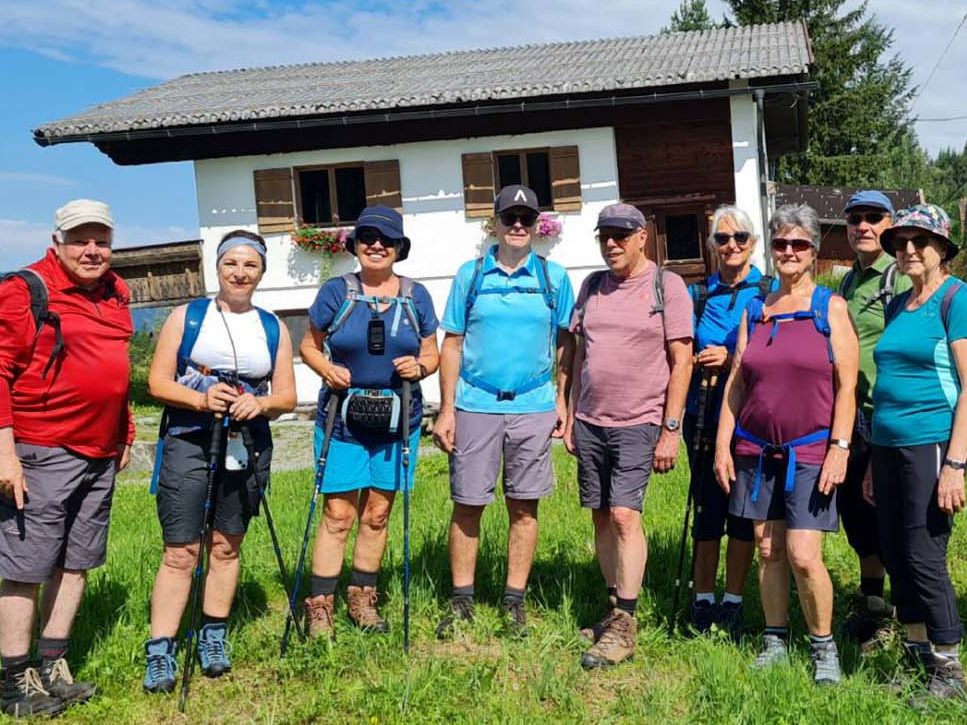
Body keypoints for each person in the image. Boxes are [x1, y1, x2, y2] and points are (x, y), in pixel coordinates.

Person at [142, 230, 296, 693]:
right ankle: (161, 649)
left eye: (250, 265)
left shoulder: (273, 326)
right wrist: (201, 398)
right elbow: (156, 383)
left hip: (246, 442)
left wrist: (261, 406)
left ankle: (213, 634)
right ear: (218, 267)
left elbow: (287, 394)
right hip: (190, 438)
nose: (240, 273)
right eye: (232, 263)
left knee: (227, 545)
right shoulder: (187, 316)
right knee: (181, 550)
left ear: (262, 272)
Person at [714, 203, 858, 685]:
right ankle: (775, 638)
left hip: (812, 450)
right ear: (771, 250)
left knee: (802, 553)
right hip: (756, 449)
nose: (790, 252)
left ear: (814, 251)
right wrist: (722, 444)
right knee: (767, 549)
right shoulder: (756, 310)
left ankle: (823, 646)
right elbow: (736, 381)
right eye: (781, 244)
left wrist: (840, 447)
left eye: (799, 244)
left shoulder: (829, 308)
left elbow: (846, 387)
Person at [0, 199, 134, 717]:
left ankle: (53, 664)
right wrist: (5, 455)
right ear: (57, 241)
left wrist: (124, 431)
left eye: (101, 239)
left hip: (100, 452)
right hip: (40, 450)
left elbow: (115, 371)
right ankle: (13, 679)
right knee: (26, 567)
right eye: (81, 239)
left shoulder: (116, 293)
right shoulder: (24, 290)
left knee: (78, 562)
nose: (92, 250)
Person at [433, 185, 574, 638]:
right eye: (509, 217)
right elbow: (451, 343)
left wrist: (561, 400)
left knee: (524, 507)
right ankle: (461, 599)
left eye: (526, 218)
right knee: (468, 504)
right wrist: (447, 409)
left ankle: (514, 601)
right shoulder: (470, 275)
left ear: (537, 225)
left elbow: (567, 343)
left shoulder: (554, 279)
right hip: (475, 403)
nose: (518, 225)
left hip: (532, 406)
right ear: (493, 222)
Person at [299, 206, 439, 638]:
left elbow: (432, 353)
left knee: (378, 513)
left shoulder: (416, 296)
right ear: (356, 245)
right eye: (367, 238)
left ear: (399, 248)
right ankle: (320, 605)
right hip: (342, 416)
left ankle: (362, 599)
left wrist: (420, 366)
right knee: (338, 514)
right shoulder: (335, 292)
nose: (376, 245)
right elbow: (308, 345)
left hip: (398, 418)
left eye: (386, 240)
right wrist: (326, 370)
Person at [565, 203, 693, 668]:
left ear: (643, 237)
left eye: (621, 235)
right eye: (605, 237)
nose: (612, 244)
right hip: (591, 421)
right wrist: (570, 409)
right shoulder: (592, 287)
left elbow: (682, 361)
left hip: (639, 421)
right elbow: (578, 354)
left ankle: (627, 622)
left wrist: (670, 429)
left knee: (623, 515)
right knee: (600, 516)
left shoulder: (667, 286)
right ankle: (613, 606)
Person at [869, 203, 966, 700]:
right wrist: (870, 459)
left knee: (924, 553)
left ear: (942, 250)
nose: (908, 249)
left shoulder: (956, 298)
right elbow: (886, 376)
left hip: (929, 443)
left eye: (919, 242)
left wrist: (955, 463)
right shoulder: (896, 303)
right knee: (894, 550)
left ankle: (949, 669)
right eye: (901, 242)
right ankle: (914, 653)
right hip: (885, 445)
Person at [684, 205, 769, 640]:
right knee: (707, 509)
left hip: (750, 420)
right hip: (702, 414)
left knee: (742, 511)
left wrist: (732, 356)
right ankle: (702, 599)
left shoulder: (770, 290)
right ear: (712, 245)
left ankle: (733, 602)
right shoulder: (698, 294)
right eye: (722, 238)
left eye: (740, 238)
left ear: (753, 243)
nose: (731, 245)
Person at [835, 191, 910, 651]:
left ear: (890, 224)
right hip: (850, 417)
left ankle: (906, 615)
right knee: (858, 516)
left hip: (887, 416)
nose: (864, 225)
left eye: (873, 218)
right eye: (855, 218)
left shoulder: (899, 278)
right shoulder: (847, 282)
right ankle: (873, 604)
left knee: (893, 517)